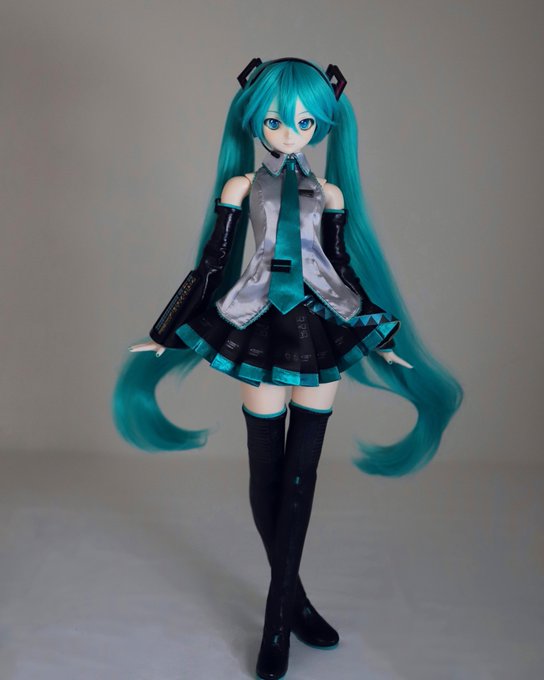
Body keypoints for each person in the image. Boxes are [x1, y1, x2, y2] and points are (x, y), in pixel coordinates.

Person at [112, 57, 463, 680]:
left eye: (305, 123)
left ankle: (277, 616)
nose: (290, 133)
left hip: (319, 326)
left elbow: (342, 268)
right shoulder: (241, 187)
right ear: (254, 120)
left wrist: (382, 335)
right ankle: (291, 605)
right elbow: (212, 262)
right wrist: (166, 330)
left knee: (302, 474)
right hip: (258, 322)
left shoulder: (330, 193)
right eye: (276, 121)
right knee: (266, 471)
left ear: (323, 125)